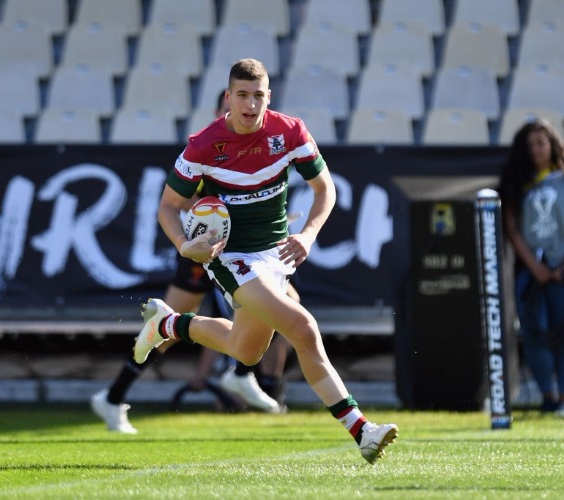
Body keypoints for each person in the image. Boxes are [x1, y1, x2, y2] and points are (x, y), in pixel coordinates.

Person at [133, 58, 398, 464]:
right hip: (231, 256)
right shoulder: (203, 145)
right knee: (302, 326)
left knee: (246, 351)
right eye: (242, 95)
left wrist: (308, 234)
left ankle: (168, 324)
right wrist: (186, 245)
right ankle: (361, 429)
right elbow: (168, 207)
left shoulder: (290, 131)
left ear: (268, 97)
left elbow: (324, 189)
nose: (250, 104)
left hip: (276, 254)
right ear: (228, 98)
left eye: (258, 95)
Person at [91, 89, 295, 434]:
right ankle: (113, 397)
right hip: (204, 250)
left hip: (243, 251)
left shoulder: (254, 147)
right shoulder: (204, 149)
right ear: (224, 108)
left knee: (287, 304)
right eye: (232, 104)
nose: (242, 110)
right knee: (168, 327)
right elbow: (181, 202)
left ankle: (242, 373)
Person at [498, 119, 564, 418]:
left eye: (541, 142)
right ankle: (547, 397)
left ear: (552, 145)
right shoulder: (517, 183)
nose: (536, 149)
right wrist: (534, 266)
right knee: (534, 332)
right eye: (531, 145)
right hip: (530, 270)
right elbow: (512, 229)